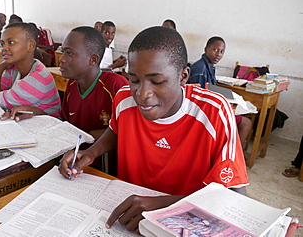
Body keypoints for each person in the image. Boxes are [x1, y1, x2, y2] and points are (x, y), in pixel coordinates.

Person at [58, 26, 249, 233]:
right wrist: (91, 153)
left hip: (184, 223)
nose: (142, 93)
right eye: (134, 80)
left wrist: (164, 205)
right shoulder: (124, 99)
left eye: (156, 81)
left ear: (183, 76)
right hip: (130, 218)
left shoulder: (213, 112)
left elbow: (234, 196)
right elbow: (116, 130)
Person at [59, 26, 128, 173]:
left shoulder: (116, 86)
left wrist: (94, 134)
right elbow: (66, 123)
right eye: (63, 51)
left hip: (110, 170)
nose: (62, 58)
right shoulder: (72, 84)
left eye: (69, 53)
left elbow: (129, 133)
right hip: (75, 164)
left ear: (93, 59)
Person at [187, 36, 252, 149]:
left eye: (222, 51)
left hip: (209, 108)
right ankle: (235, 156)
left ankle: (229, 152)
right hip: (203, 114)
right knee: (246, 123)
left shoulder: (210, 66)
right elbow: (198, 100)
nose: (218, 54)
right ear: (206, 49)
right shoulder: (201, 69)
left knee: (240, 113)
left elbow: (211, 89)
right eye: (215, 50)